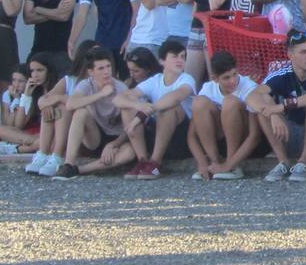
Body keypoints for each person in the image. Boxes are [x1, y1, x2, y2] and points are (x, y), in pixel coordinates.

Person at [248, 30, 306, 182]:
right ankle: (283, 162)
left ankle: (304, 162)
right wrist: (273, 114)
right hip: (292, 134)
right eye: (304, 52)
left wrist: (283, 106)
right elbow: (252, 97)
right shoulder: (281, 74)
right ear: (291, 56)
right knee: (264, 103)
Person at [111, 40, 196, 179]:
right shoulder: (155, 80)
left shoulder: (187, 79)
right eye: (175, 56)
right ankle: (143, 161)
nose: (180, 60)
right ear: (162, 61)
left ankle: (155, 162)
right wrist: (138, 106)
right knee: (127, 108)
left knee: (169, 109)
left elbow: (175, 97)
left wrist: (142, 115)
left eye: (183, 56)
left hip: (182, 138)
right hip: (158, 133)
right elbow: (118, 99)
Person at [50, 47, 131, 180]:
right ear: (91, 72)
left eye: (108, 67)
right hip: (95, 136)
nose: (106, 72)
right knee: (80, 112)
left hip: (118, 137)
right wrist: (100, 94)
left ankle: (79, 170)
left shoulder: (121, 88)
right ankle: (68, 164)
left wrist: (113, 145)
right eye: (101, 69)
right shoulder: (86, 84)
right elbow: (71, 104)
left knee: (129, 153)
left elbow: (129, 126)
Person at [188, 50, 262, 181]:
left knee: (230, 101)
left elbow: (254, 136)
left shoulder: (249, 86)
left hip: (244, 144)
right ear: (214, 78)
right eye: (226, 78)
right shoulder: (207, 88)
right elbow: (192, 135)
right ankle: (214, 162)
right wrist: (201, 162)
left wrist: (229, 164)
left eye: (234, 74)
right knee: (199, 102)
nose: (233, 81)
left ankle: (232, 166)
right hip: (219, 142)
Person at [21, 51, 76, 175]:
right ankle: (35, 151)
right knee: (2, 130)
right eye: (32, 71)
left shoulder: (59, 85)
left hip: (54, 135)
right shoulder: (34, 90)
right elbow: (20, 122)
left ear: (49, 70)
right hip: (36, 134)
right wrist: (27, 95)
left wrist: (46, 104)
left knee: (53, 109)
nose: (35, 75)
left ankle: (27, 149)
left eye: (39, 70)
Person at [0, 67, 40, 154]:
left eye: (21, 81)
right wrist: (16, 101)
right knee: (1, 130)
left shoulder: (31, 95)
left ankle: (19, 148)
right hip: (17, 133)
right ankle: (29, 145)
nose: (16, 85)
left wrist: (21, 98)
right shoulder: (7, 94)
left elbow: (19, 124)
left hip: (32, 131)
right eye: (14, 80)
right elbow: (8, 124)